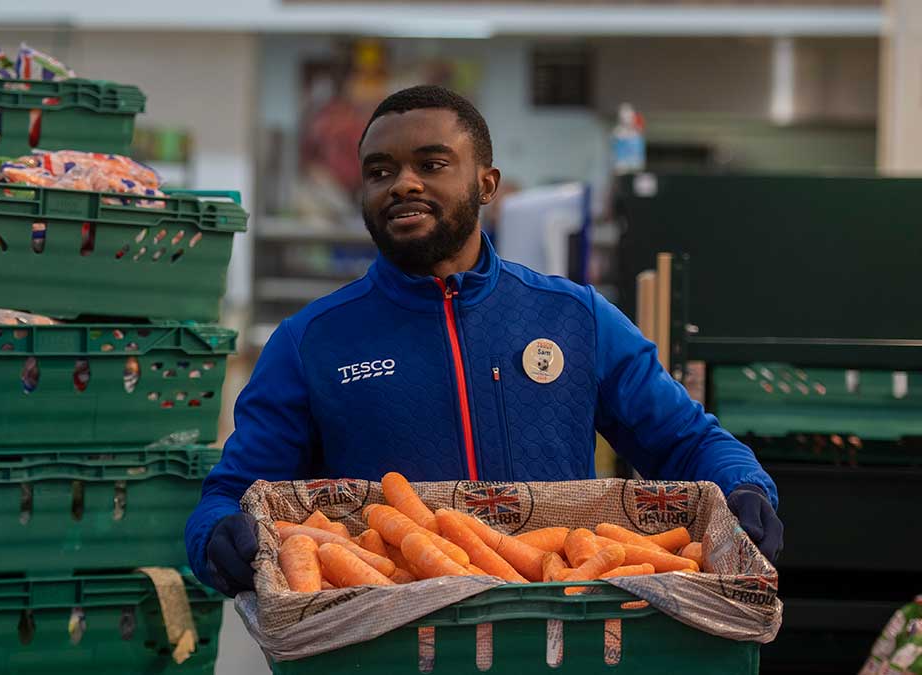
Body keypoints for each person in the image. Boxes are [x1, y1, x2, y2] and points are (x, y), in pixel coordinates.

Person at [185, 85, 783, 596]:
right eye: (380, 171)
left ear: (487, 183)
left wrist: (745, 487)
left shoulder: (575, 319)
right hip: (386, 635)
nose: (402, 184)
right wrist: (217, 538)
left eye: (432, 163)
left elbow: (685, 441)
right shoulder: (309, 343)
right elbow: (235, 491)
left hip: (554, 627)